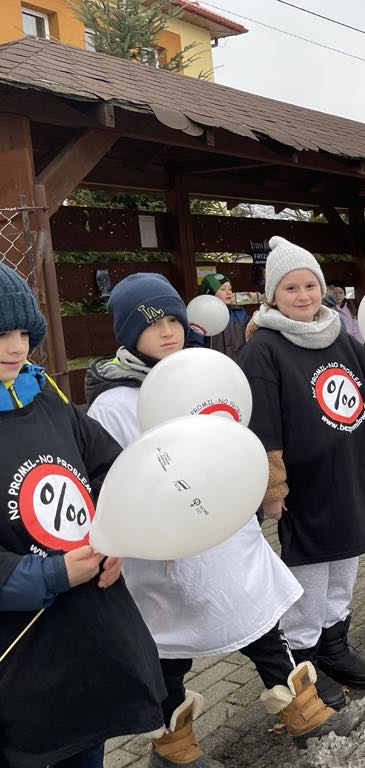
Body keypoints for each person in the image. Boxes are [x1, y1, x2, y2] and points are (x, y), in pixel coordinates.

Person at [86, 274, 358, 764]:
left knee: (261, 620)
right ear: (128, 333)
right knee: (170, 650)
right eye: (153, 325)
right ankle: (174, 748)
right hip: (166, 551)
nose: (168, 332)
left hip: (226, 535)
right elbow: (114, 479)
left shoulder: (204, 376)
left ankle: (306, 714)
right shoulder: (115, 403)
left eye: (173, 319)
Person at [0, 262, 165, 768]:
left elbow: (113, 471)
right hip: (21, 656)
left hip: (89, 632)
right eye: (0, 333)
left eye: (24, 332)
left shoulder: (51, 400)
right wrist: (48, 573)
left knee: (86, 741)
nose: (15, 347)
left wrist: (115, 537)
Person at [238, 236, 365, 696]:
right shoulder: (265, 349)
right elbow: (263, 423)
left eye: (310, 286)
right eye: (290, 289)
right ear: (272, 296)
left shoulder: (338, 335)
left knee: (345, 563)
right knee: (309, 572)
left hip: (350, 475)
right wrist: (273, 487)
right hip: (306, 483)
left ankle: (334, 643)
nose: (303, 296)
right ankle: (303, 657)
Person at [199, 273, 248, 361]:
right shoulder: (201, 317)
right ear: (210, 293)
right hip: (215, 368)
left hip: (239, 367)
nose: (229, 292)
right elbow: (195, 346)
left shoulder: (240, 313)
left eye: (230, 289)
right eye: (223, 289)